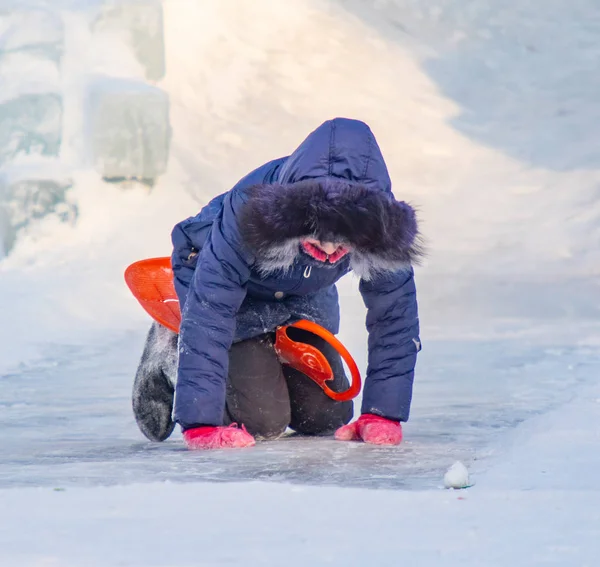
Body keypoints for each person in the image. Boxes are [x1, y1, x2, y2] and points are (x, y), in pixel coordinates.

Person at [131, 117, 423, 450]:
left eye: (343, 240)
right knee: (262, 421)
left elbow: (394, 319)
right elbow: (212, 308)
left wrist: (382, 414)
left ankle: (267, 358)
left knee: (326, 417)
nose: (329, 250)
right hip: (224, 288)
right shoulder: (249, 208)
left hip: (300, 290)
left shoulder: (380, 224)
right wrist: (200, 422)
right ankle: (171, 349)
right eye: (318, 233)